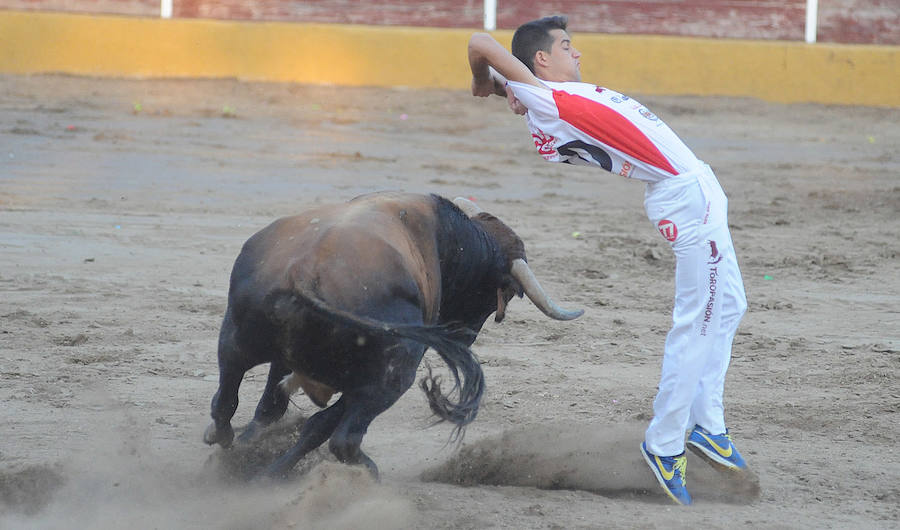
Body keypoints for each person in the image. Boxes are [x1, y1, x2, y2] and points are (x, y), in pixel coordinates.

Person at [467, 15, 750, 506]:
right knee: (699, 322)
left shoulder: (546, 98)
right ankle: (664, 444)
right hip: (685, 198)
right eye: (567, 47)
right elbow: (479, 42)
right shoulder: (549, 97)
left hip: (691, 191)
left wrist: (502, 86)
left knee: (728, 306)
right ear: (541, 59)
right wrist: (489, 81)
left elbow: (501, 69)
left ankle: (707, 424)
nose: (577, 55)